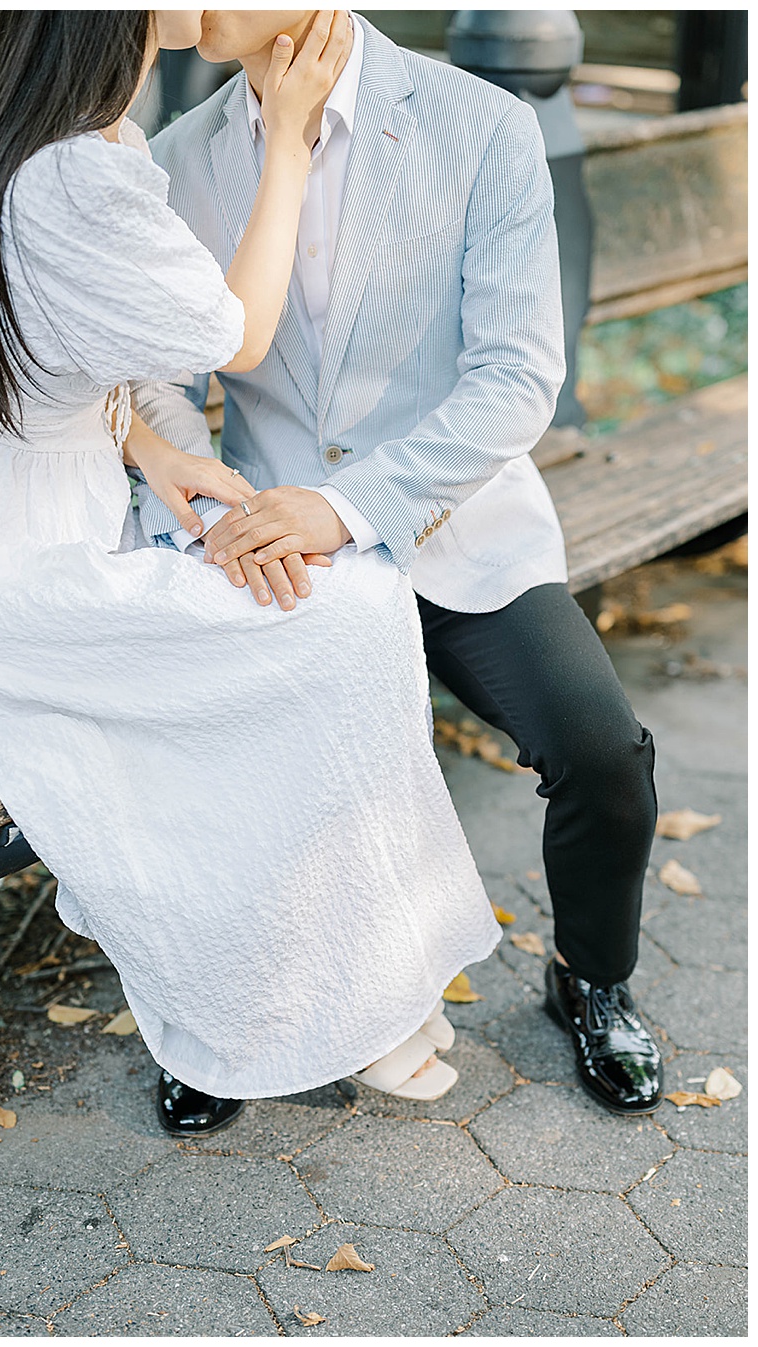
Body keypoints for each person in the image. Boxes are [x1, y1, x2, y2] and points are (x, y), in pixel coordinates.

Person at [0, 10, 501, 1132]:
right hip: (2, 585)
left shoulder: (80, 139)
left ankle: (369, 975)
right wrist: (294, 140)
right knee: (339, 624)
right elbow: (235, 336)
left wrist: (155, 451)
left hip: (30, 524)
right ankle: (315, 995)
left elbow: (45, 354)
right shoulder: (73, 170)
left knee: (341, 616)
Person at [130, 10, 662, 1119]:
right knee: (228, 769)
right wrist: (194, 484)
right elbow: (160, 378)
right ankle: (224, 1022)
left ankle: (595, 981)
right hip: (272, 547)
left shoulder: (484, 125)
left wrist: (349, 505)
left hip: (457, 530)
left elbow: (517, 379)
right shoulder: (178, 157)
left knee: (606, 755)